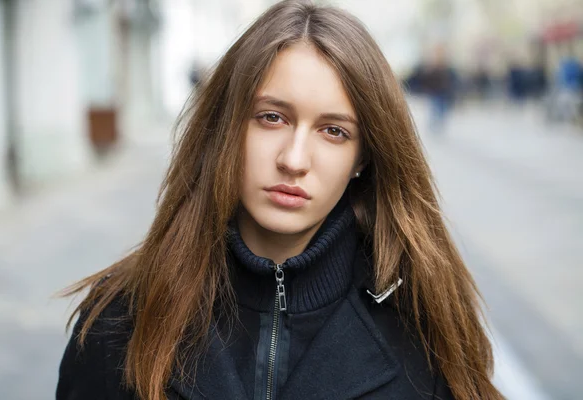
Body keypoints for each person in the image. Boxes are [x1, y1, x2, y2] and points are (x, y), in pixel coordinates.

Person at [56, 1, 503, 399]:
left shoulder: (424, 331)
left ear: (363, 157)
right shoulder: (118, 319)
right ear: (227, 126)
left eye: (333, 131)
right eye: (271, 118)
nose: (293, 160)